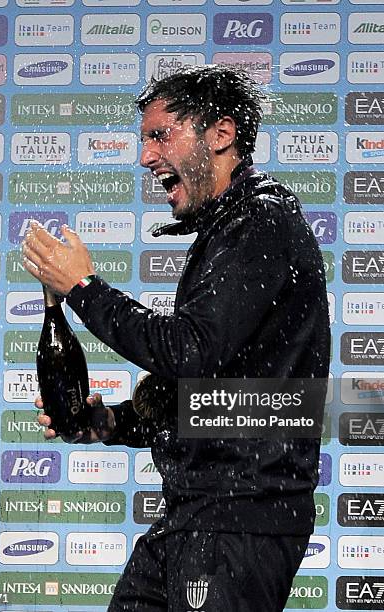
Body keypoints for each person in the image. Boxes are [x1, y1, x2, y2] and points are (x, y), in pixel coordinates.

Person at [22, 65, 330, 612]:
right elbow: (211, 394)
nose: (146, 157)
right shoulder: (230, 228)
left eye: (160, 135)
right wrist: (109, 422)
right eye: (145, 140)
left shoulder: (260, 222)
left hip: (241, 522)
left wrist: (84, 288)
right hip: (195, 517)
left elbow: (190, 351)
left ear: (220, 135)